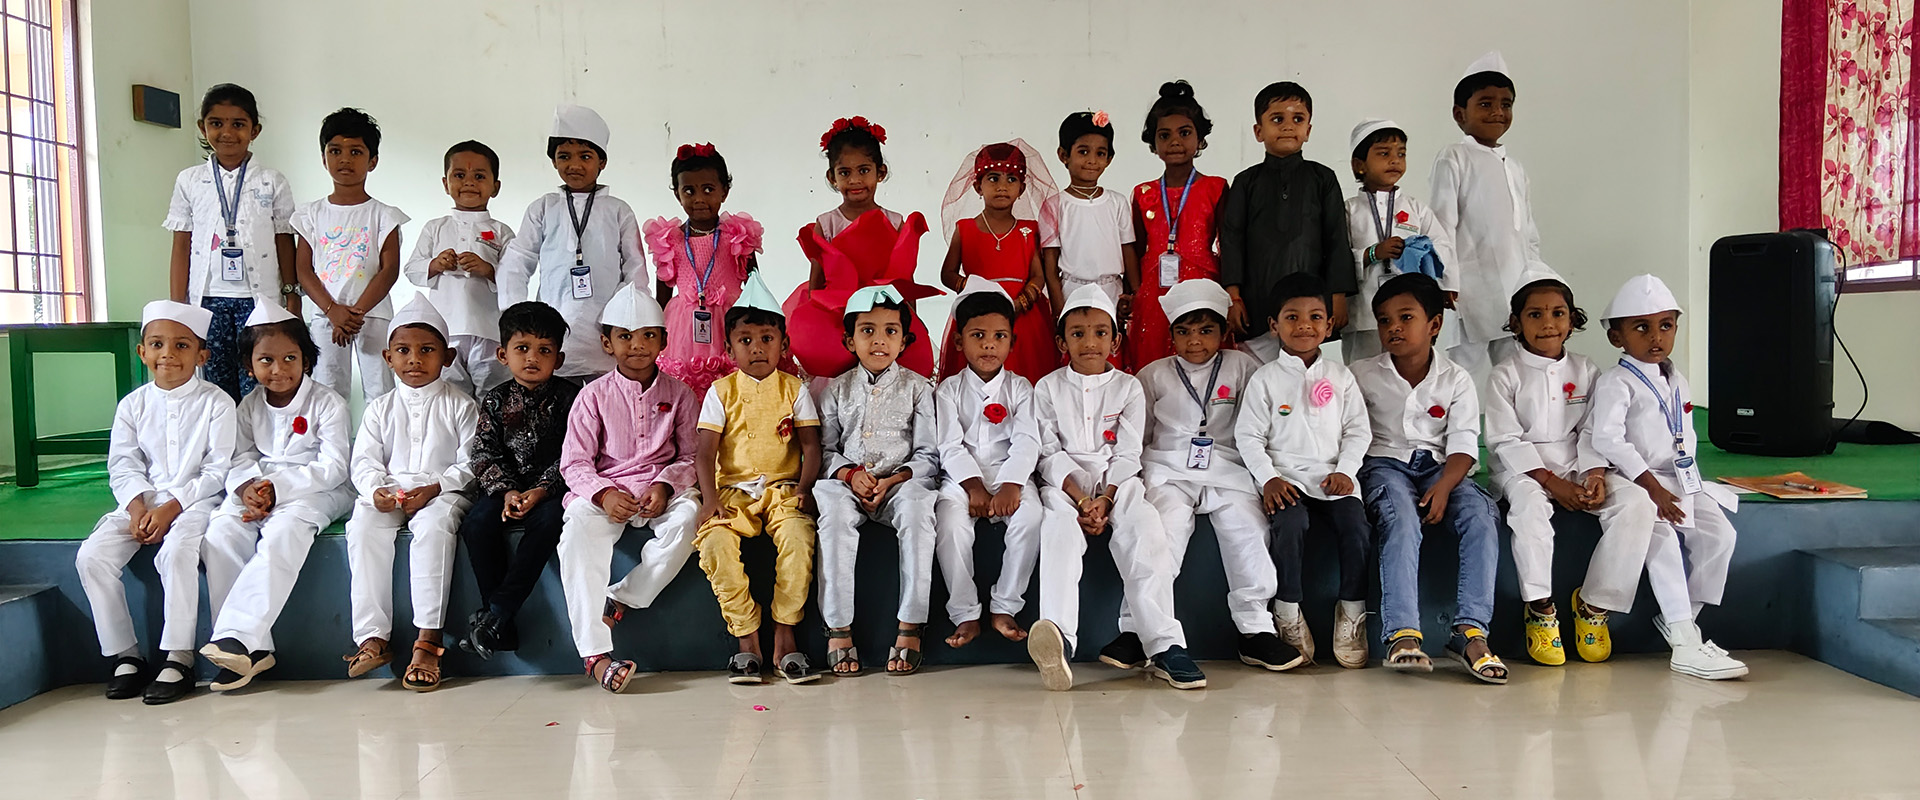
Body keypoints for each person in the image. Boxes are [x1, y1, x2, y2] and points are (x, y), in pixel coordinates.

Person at [1113, 278, 1293, 671]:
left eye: (1206, 330)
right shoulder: (1153, 375)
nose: (1195, 340)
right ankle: (1137, 629)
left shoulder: (1243, 367)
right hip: (1169, 471)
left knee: (1248, 532)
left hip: (1229, 470)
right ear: (1171, 335)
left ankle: (1256, 630)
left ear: (1224, 332)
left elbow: (1257, 426)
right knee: (1160, 537)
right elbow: (1141, 435)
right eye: (1184, 331)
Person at [1027, 284, 1201, 691]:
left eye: (1100, 332)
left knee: (1145, 530)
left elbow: (1128, 452)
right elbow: (1049, 453)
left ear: (1116, 340)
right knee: (1059, 533)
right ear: (1061, 342)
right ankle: (1059, 641)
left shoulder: (1128, 387)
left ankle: (1165, 644)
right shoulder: (1047, 387)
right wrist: (1082, 500)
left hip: (1118, 484)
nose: (1090, 342)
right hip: (1065, 486)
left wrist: (1105, 498)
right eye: (1078, 333)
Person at [1487, 275, 1661, 666]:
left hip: (1578, 463)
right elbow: (1505, 440)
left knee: (1637, 503)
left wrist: (1594, 474)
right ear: (1516, 323)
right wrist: (1551, 482)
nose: (1547, 323)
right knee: (1529, 509)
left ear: (1572, 321)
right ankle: (1540, 607)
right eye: (1535, 314)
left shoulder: (1586, 369)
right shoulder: (1505, 374)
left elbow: (1593, 430)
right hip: (1522, 470)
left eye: (1558, 313)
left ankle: (1594, 604)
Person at [76, 300, 236, 705]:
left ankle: (179, 658)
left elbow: (216, 471)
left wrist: (170, 508)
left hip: (194, 502)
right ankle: (126, 655)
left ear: (202, 356)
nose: (168, 354)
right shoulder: (132, 405)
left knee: (177, 553)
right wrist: (137, 508)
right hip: (139, 504)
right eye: (157, 344)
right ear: (142, 352)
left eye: (182, 345)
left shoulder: (217, 403)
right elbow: (123, 464)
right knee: (92, 557)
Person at [1588, 274, 1748, 680]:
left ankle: (1684, 615)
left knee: (1720, 536)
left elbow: (1684, 437)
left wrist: (1688, 486)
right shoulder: (1615, 382)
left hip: (1676, 479)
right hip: (1633, 480)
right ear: (1616, 337)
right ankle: (1683, 642)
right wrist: (1653, 488)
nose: (1656, 337)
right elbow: (1607, 439)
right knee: (1660, 540)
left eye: (1666, 325)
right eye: (1641, 328)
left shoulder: (1677, 379)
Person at [1355, 273, 1507, 684]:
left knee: (1481, 513)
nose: (1394, 328)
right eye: (1384, 320)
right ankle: (1402, 633)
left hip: (1441, 468)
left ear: (1434, 324)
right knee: (1401, 518)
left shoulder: (1456, 378)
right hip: (1384, 465)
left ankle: (1471, 633)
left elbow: (1463, 445)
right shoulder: (1361, 375)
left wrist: (1443, 487)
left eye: (1406, 317)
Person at [556, 284, 704, 692]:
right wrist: (604, 494)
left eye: (648, 335)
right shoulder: (592, 396)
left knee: (690, 519)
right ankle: (595, 655)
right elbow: (574, 462)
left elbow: (691, 456)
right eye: (625, 336)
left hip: (660, 491)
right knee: (576, 532)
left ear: (663, 340)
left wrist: (665, 486)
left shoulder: (681, 394)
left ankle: (622, 597)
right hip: (608, 491)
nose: (637, 345)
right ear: (607, 343)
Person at [200, 304, 350, 692]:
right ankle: (251, 650)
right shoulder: (248, 406)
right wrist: (247, 488)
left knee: (283, 534)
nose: (279, 369)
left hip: (315, 491)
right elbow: (240, 457)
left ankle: (235, 637)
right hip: (258, 490)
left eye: (290, 358)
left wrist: (277, 490)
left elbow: (333, 466)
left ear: (307, 360)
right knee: (220, 534)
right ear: (249, 366)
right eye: (266, 360)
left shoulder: (328, 403)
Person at [1234, 273, 1375, 670]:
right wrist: (1269, 478)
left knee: (1356, 526)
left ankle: (1352, 610)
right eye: (1292, 317)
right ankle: (1287, 610)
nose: (1304, 326)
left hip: (1334, 478)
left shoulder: (1341, 377)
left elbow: (1358, 431)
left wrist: (1346, 470)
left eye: (1315, 317)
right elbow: (1248, 436)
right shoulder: (1265, 379)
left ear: (1329, 326)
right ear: (1274, 325)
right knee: (1290, 524)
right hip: (1286, 479)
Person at [341, 296, 478, 692]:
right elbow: (364, 462)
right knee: (362, 526)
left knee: (433, 528)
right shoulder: (379, 408)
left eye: (427, 350)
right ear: (388, 358)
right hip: (392, 490)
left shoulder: (462, 405)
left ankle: (428, 640)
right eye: (403, 351)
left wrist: (435, 487)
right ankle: (372, 638)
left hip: (444, 492)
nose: (414, 359)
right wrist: (375, 490)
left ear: (447, 357)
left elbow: (472, 463)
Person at [692, 273, 824, 685]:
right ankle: (746, 637)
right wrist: (710, 500)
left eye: (767, 339)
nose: (756, 348)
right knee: (714, 543)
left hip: (783, 489)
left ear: (784, 345)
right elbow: (705, 453)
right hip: (733, 492)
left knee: (799, 539)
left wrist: (804, 489)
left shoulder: (794, 389)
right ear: (729, 347)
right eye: (745, 340)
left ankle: (785, 634)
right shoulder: (721, 392)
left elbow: (811, 446)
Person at [816, 286, 940, 676]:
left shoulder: (920, 389)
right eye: (867, 331)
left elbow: (928, 455)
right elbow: (824, 451)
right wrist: (850, 475)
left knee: (919, 511)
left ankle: (911, 624)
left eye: (890, 331)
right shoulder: (834, 390)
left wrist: (893, 481)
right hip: (848, 484)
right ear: (849, 340)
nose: (879, 341)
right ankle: (838, 627)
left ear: (904, 341)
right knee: (833, 514)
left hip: (901, 484)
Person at [455, 301, 580, 661]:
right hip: (505, 490)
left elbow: (576, 452)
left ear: (559, 359)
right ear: (502, 354)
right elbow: (483, 454)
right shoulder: (494, 401)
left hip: (553, 490)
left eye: (544, 350)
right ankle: (501, 625)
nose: (532, 358)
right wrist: (508, 491)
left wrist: (542, 489)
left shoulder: (572, 399)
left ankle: (496, 613)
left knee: (550, 523)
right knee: (477, 524)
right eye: (522, 348)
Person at [164, 83, 296, 400]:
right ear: (202, 127)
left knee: (261, 380)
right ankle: (226, 434)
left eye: (238, 124)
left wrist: (292, 295)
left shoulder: (272, 181)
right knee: (216, 384)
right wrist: (177, 307)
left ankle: (259, 434)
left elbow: (284, 240)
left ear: (255, 130)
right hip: (208, 300)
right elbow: (181, 244)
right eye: (216, 123)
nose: (227, 132)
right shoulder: (190, 180)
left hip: (259, 300)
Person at [497, 104, 647, 381]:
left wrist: (622, 319)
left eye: (585, 156)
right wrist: (515, 314)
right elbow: (518, 259)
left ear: (602, 162)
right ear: (554, 162)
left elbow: (635, 267)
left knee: (603, 398)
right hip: (551, 330)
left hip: (605, 329)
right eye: (564, 156)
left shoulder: (618, 210)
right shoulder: (543, 207)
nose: (574, 165)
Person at [932, 278, 1043, 648]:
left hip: (1010, 473)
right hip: (962, 479)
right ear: (959, 341)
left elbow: (1027, 441)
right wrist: (973, 486)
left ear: (1013, 341)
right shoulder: (948, 390)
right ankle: (965, 612)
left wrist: (1012, 484)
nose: (989, 345)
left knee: (1030, 517)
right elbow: (949, 445)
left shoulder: (1021, 388)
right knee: (950, 524)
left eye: (999, 336)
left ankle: (1005, 605)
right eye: (978, 336)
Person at [785, 116, 939, 378]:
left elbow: (905, 278)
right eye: (845, 173)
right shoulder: (827, 223)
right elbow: (817, 278)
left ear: (881, 172)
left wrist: (913, 319)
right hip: (838, 317)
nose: (855, 180)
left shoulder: (894, 221)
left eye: (864, 170)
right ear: (832, 177)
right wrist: (814, 320)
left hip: (883, 315)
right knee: (840, 379)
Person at [1431, 51, 1551, 382]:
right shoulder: (1454, 157)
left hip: (1515, 289)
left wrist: (1535, 279)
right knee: (1462, 374)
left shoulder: (1515, 168)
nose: (1498, 111)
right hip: (1470, 291)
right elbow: (1442, 224)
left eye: (1506, 104)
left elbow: (1528, 234)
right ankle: (1456, 419)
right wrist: (1446, 281)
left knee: (1517, 372)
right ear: (1460, 114)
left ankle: (1510, 418)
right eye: (1485, 104)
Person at [1219, 82, 1355, 349]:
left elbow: (1336, 237)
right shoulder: (1246, 182)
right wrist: (1233, 297)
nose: (1288, 126)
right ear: (1259, 131)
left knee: (1304, 362)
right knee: (1256, 366)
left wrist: (1338, 295)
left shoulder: (1322, 178)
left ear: (1308, 130)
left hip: (1310, 300)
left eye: (1298, 119)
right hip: (1256, 300)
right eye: (1277, 119)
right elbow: (1232, 240)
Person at [292, 107, 409, 406]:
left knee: (380, 391)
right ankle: (334, 440)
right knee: (328, 390)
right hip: (325, 315)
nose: (345, 159)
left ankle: (381, 439)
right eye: (335, 151)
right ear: (324, 158)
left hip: (373, 315)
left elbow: (389, 270)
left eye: (356, 152)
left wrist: (356, 313)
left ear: (372, 161)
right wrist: (333, 310)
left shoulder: (384, 215)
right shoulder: (310, 214)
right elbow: (303, 269)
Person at [644, 143, 768, 394]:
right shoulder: (669, 239)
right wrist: (654, 335)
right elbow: (662, 297)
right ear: (677, 194)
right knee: (686, 390)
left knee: (732, 390)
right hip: (683, 330)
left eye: (708, 189)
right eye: (689, 191)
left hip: (730, 323)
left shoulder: (737, 235)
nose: (699, 199)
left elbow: (755, 288)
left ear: (724, 192)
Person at [937, 140, 1061, 381]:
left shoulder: (1029, 230)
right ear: (977, 186)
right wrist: (975, 290)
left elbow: (1038, 275)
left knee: (1027, 376)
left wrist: (1020, 303)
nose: (1002, 186)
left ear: (1022, 189)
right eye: (993, 178)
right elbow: (947, 274)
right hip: (978, 313)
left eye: (1011, 179)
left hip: (1024, 317)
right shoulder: (965, 229)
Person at [1126, 81, 1228, 370]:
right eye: (1164, 135)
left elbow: (1227, 244)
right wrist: (1134, 292)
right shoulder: (1143, 193)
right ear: (1153, 143)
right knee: (1153, 361)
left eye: (1184, 133)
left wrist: (1231, 293)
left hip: (1202, 285)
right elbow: (1135, 247)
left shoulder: (1216, 187)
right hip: (1153, 291)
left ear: (1200, 138)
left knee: (1201, 355)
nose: (1175, 142)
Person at [403, 140, 516, 396]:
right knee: (450, 395)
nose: (469, 183)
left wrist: (488, 269)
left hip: (489, 332)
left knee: (493, 396)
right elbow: (411, 269)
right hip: (445, 331)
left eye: (479, 176)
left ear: (495, 187)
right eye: (460, 175)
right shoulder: (436, 227)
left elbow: (516, 277)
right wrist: (435, 264)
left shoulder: (501, 231)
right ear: (446, 184)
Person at [1342, 119, 1458, 364]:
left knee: (1410, 365)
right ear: (1359, 165)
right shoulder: (1349, 210)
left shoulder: (1416, 208)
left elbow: (1442, 245)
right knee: (1362, 370)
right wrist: (1372, 253)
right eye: (1384, 153)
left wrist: (1446, 284)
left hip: (1411, 310)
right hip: (1364, 313)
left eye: (1401, 154)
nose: (1395, 160)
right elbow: (1336, 256)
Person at [1042, 110, 1137, 316]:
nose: (1092, 160)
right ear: (1063, 155)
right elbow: (1050, 267)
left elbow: (1129, 252)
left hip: (1113, 292)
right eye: (1083, 152)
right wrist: (1059, 311)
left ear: (1109, 159)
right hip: (1071, 293)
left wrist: (1134, 295)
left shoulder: (1117, 202)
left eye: (1100, 153)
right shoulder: (1055, 205)